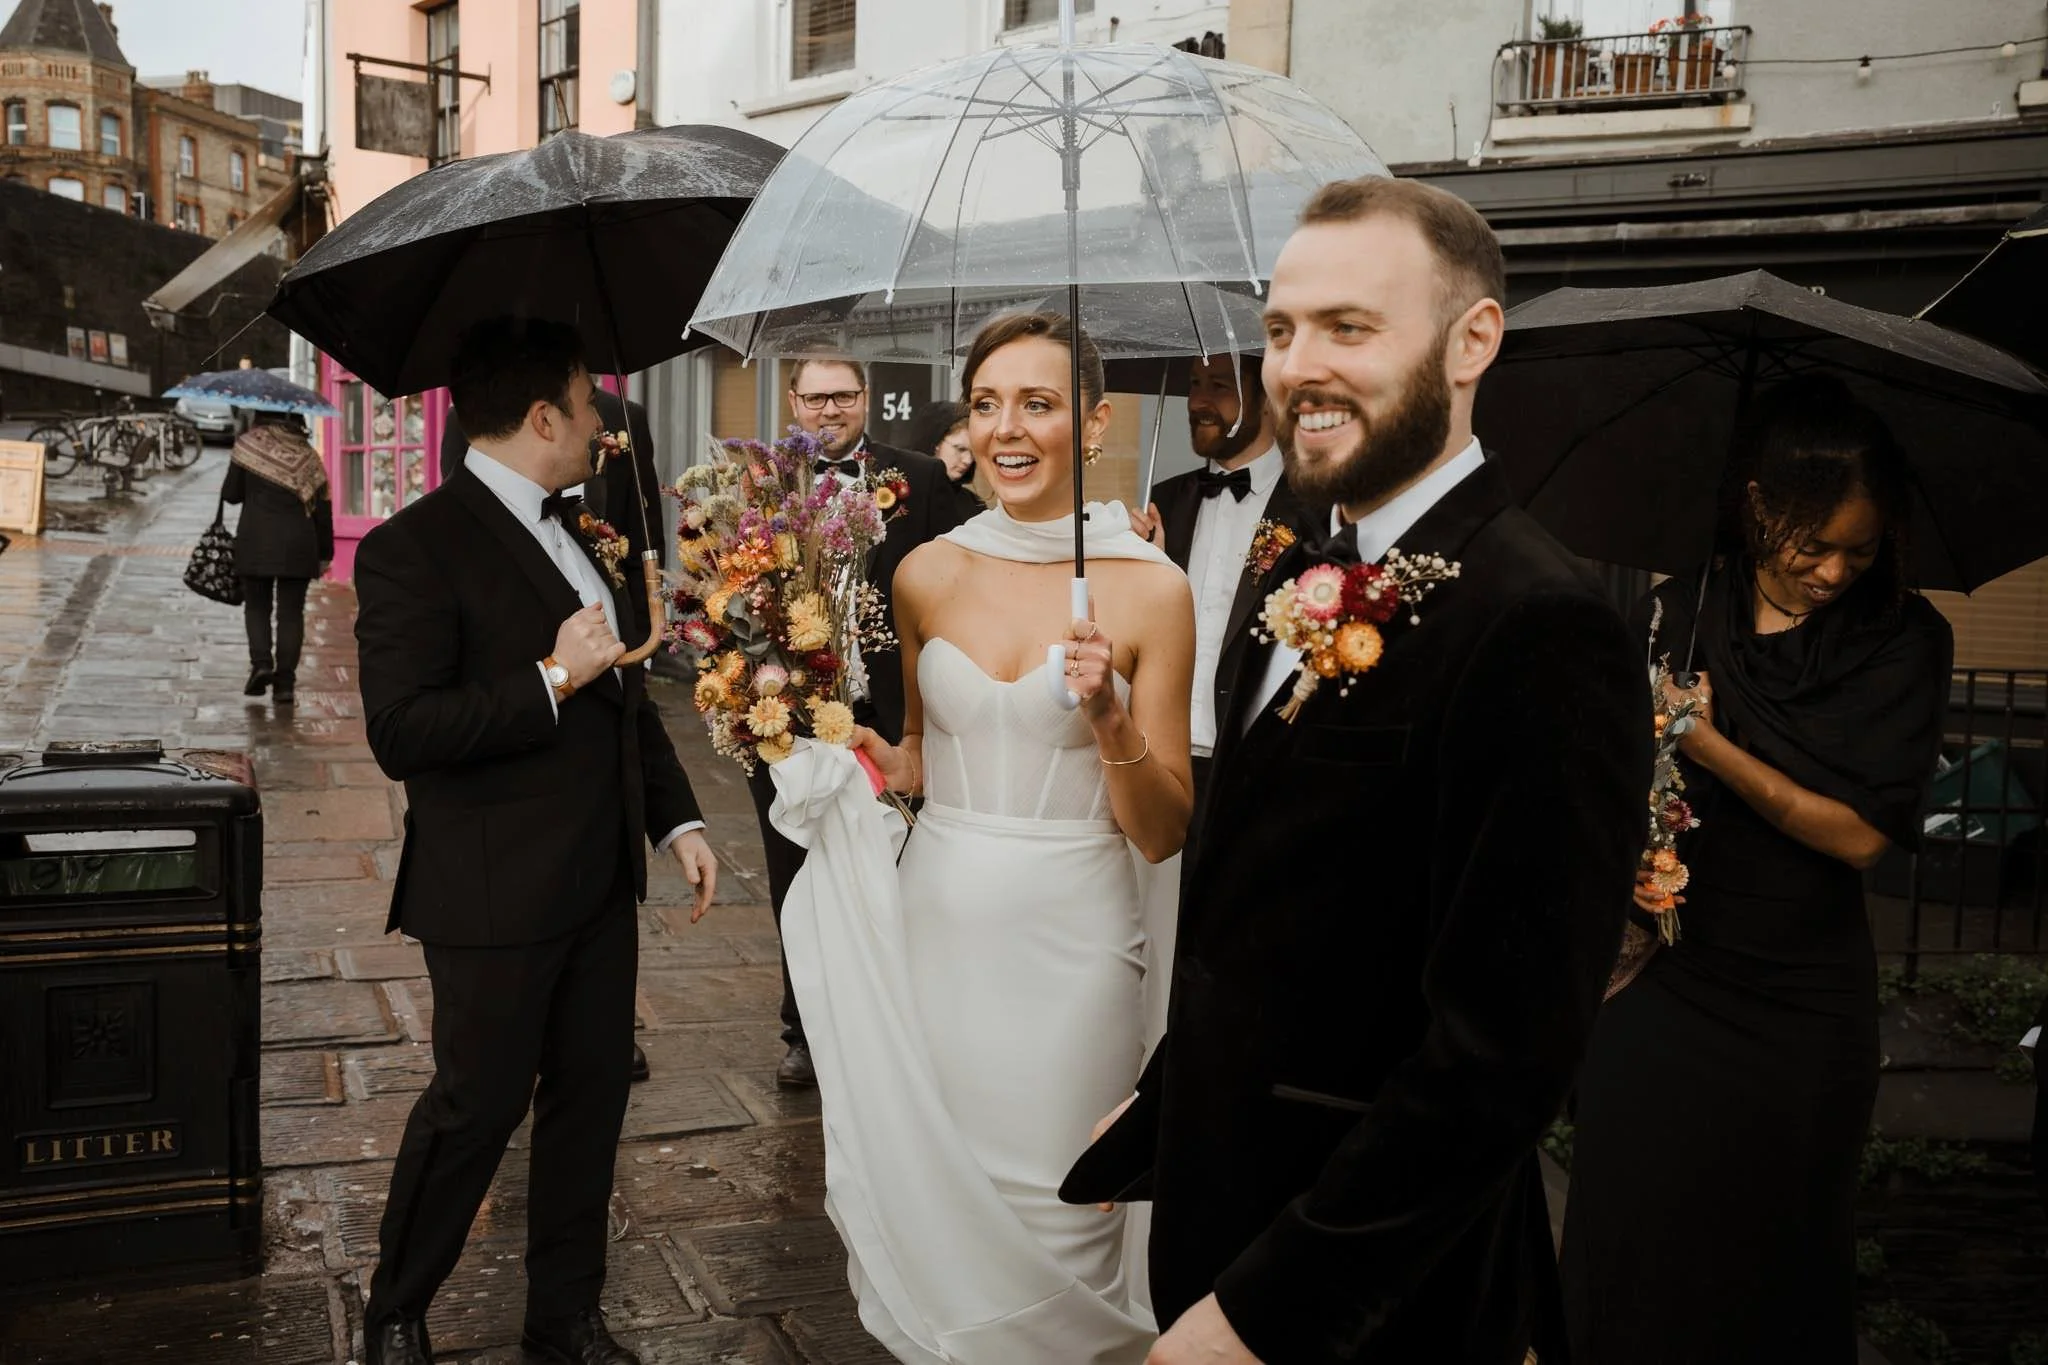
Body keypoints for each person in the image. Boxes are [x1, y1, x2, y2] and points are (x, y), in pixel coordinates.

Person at [1064, 176, 1650, 1365]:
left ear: (1470, 341)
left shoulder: (1538, 621)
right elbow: (1267, 904)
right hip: (1223, 1196)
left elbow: (1500, 1054)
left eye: (1348, 327)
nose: (1297, 368)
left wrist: (1266, 1314)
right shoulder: (1291, 572)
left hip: (1372, 1294)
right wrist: (1172, 1097)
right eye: (1281, 331)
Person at [770, 311, 1194, 1363]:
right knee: (938, 1207)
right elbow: (923, 755)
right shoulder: (925, 571)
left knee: (1064, 1210)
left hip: (1077, 946)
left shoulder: (1153, 589)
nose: (1007, 428)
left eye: (1038, 404)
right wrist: (853, 749)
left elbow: (1162, 832)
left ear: (1093, 422)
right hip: (938, 929)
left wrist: (1110, 719)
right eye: (988, 403)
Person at [1562, 377, 1954, 1364]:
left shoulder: (1903, 639)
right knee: (1633, 1242)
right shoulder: (1679, 609)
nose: (1833, 571)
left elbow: (1859, 837)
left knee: (1774, 1265)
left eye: (1860, 549)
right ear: (1756, 506)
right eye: (1811, 544)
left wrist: (1705, 743)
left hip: (1799, 1005)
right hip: (1667, 981)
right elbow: (1612, 780)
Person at [352, 317, 719, 1365]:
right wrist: (552, 676)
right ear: (544, 417)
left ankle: (565, 1315)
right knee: (474, 1109)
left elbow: (625, 700)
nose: (604, 423)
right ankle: (395, 1311)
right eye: (589, 402)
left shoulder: (589, 532)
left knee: (590, 1105)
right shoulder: (411, 548)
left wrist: (677, 819)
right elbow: (401, 731)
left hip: (599, 881)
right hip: (491, 891)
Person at [749, 358, 970, 1088]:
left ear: (865, 398)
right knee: (796, 877)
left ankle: (893, 1025)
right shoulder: (763, 485)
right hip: (790, 720)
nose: (830, 410)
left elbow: (973, 565)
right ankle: (805, 1033)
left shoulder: (921, 479)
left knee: (896, 872)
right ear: (793, 402)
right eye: (815, 397)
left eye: (844, 395)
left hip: (892, 719)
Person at [1132, 353, 1321, 857]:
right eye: (1195, 383)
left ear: (1268, 398)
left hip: (1256, 769)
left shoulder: (1315, 512)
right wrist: (1140, 569)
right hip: (1163, 763)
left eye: (1219, 385)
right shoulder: (1160, 504)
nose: (1197, 401)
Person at [222, 411, 334, 707]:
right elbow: (322, 508)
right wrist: (326, 552)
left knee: (257, 607)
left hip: (255, 542)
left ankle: (261, 665)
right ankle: (285, 685)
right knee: (291, 614)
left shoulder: (247, 445)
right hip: (299, 546)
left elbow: (231, 494)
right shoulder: (308, 455)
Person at [905, 398, 986, 522]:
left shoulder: (974, 506)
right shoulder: (898, 495)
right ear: (935, 443)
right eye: (960, 449)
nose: (968, 460)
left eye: (973, 453)